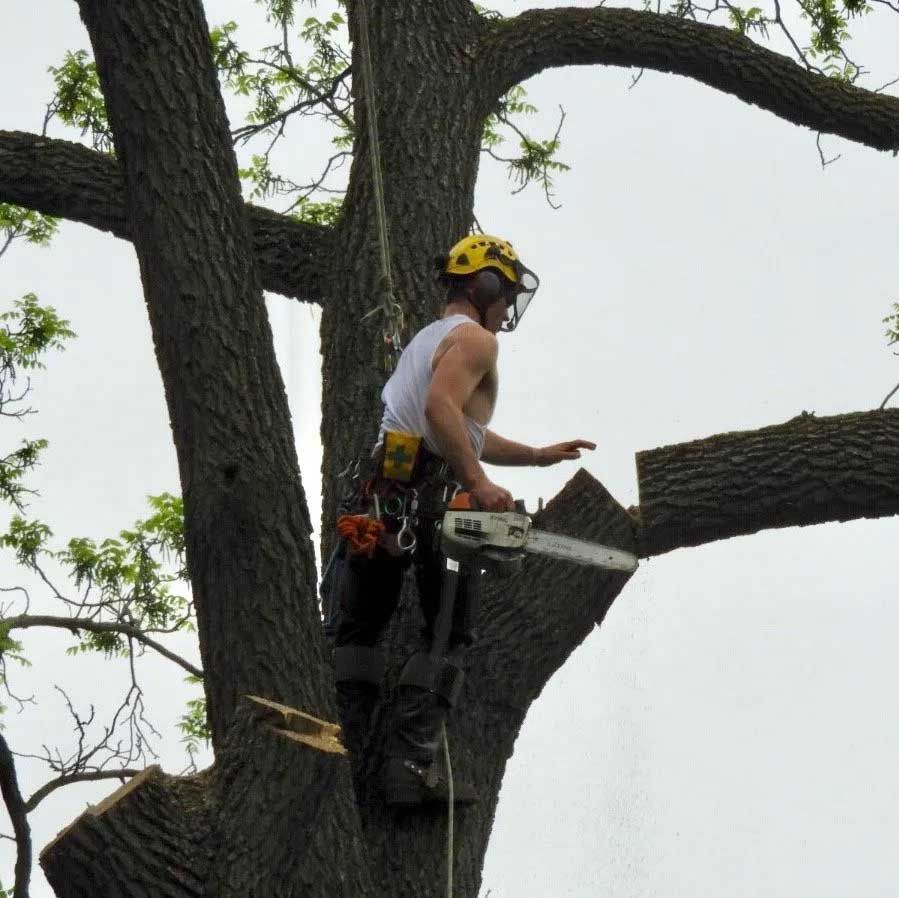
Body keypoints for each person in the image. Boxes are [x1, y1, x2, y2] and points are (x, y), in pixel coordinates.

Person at [330, 234, 595, 807]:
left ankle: (338, 751)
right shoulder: (475, 340)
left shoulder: (429, 340)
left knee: (360, 631)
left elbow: (461, 427)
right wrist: (475, 483)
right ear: (485, 285)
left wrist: (534, 455)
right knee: (450, 631)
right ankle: (406, 769)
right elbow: (441, 413)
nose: (506, 311)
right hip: (431, 495)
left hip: (383, 494)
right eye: (505, 296)